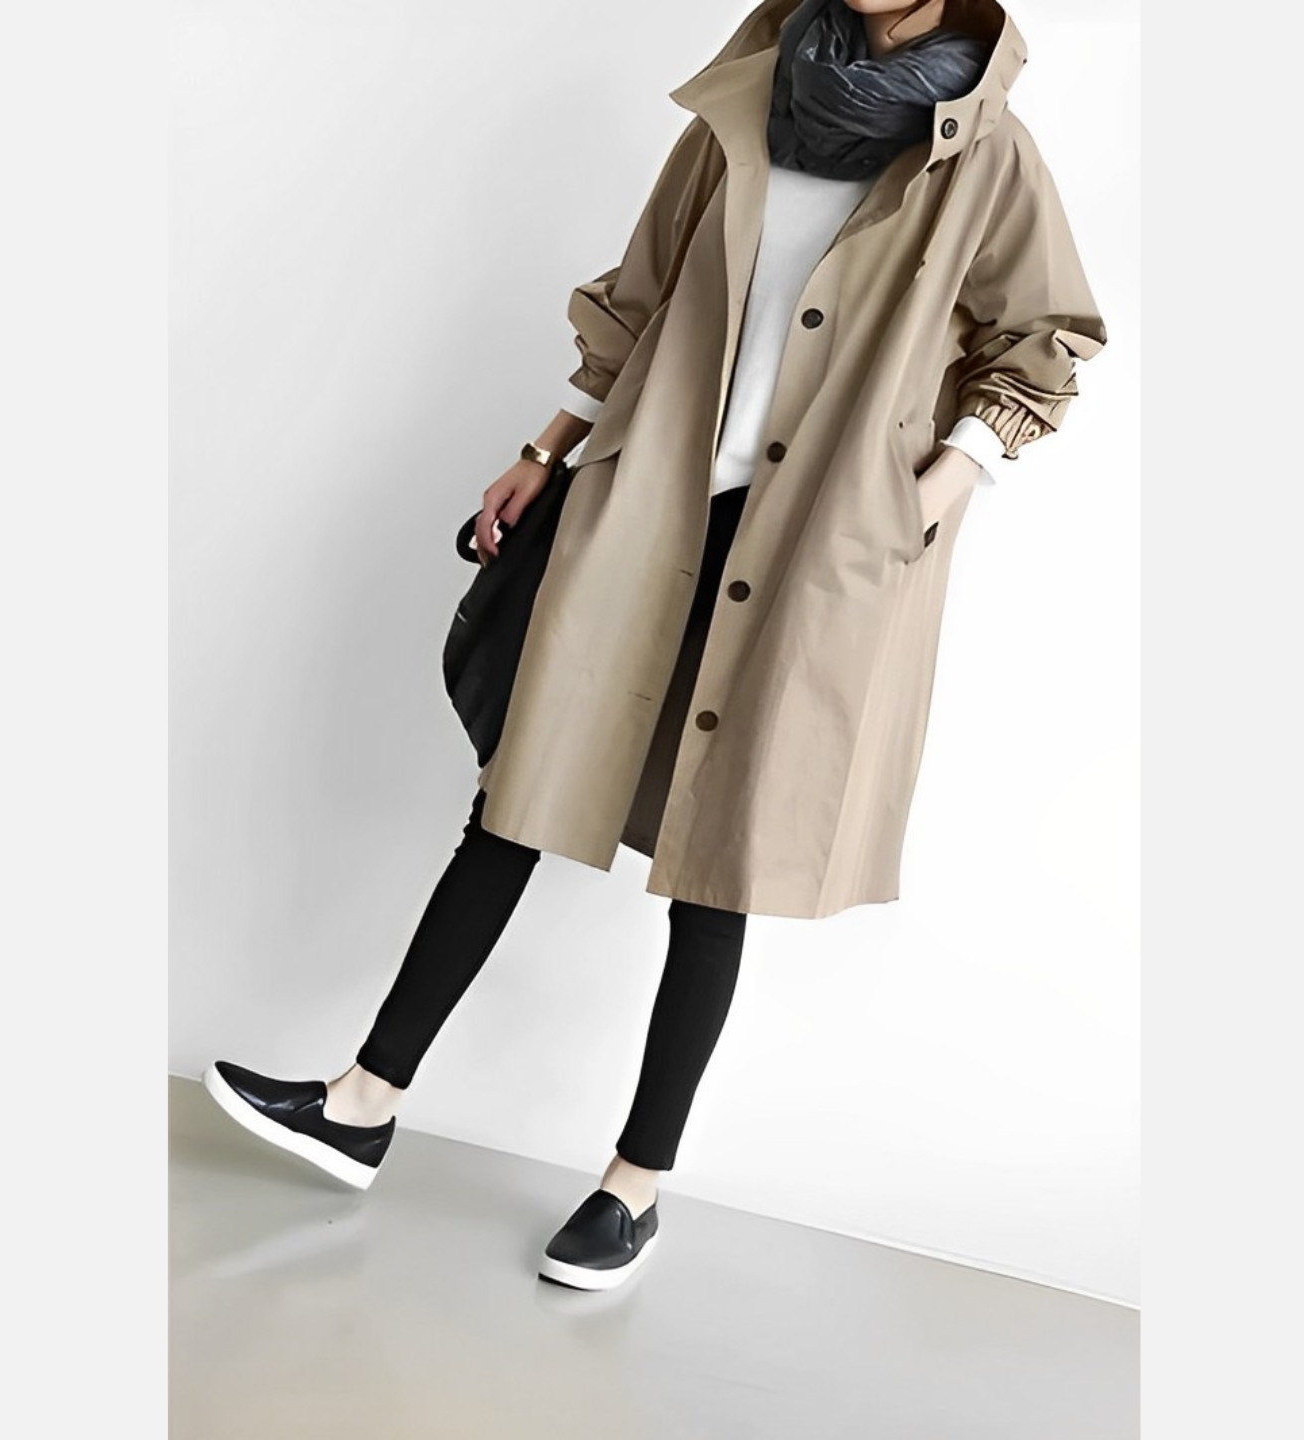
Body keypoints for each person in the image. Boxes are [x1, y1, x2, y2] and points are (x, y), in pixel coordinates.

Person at [203, 0, 1106, 1292]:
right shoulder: (749, 98)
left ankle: (635, 1186)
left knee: (718, 858)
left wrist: (930, 494)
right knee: (519, 792)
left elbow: (1044, 342)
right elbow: (641, 295)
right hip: (655, 501)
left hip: (814, 544)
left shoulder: (987, 153)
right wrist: (544, 449)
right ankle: (362, 1102)